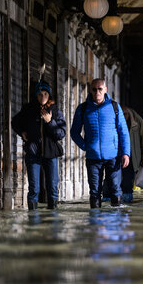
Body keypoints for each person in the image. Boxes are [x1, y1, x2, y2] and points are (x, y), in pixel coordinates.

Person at [70, 78, 130, 208]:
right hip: (93, 158)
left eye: (100, 89)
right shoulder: (83, 108)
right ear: (90, 90)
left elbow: (123, 132)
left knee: (115, 189)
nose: (97, 92)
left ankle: (115, 223)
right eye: (94, 89)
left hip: (113, 156)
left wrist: (126, 153)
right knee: (95, 192)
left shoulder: (115, 107)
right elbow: (74, 132)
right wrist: (85, 146)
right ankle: (95, 223)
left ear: (105, 90)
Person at [12, 80, 66, 210]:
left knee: (52, 188)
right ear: (36, 95)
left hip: (51, 153)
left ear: (49, 95)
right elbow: (14, 122)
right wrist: (22, 132)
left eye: (45, 94)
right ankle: (33, 221)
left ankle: (52, 220)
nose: (43, 97)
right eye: (40, 94)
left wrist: (50, 121)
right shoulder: (28, 109)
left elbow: (61, 134)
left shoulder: (55, 110)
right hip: (33, 153)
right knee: (33, 188)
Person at [118, 106, 143, 203]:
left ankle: (126, 202)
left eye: (125, 115)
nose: (123, 117)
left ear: (128, 113)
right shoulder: (115, 119)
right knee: (112, 182)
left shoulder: (137, 121)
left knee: (127, 183)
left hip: (132, 158)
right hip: (116, 157)